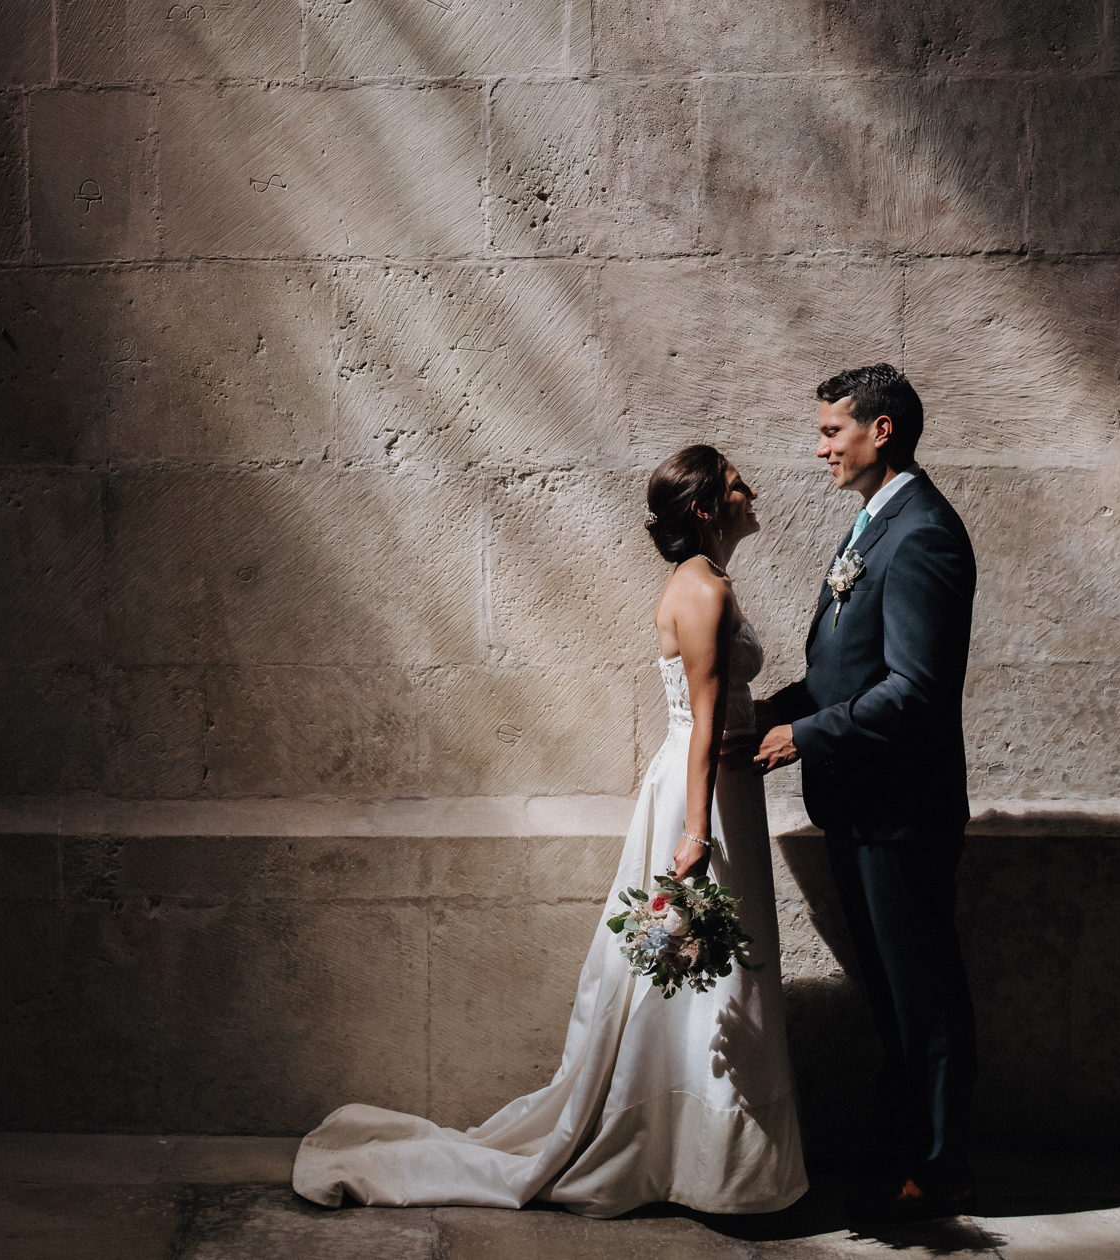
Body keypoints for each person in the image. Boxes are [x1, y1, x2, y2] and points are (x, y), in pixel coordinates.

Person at [292, 445, 808, 1218]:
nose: (752, 491)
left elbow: (721, 709)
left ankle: (699, 1157)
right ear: (707, 508)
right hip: (703, 796)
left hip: (714, 783)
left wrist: (763, 721)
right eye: (738, 484)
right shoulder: (703, 590)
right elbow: (702, 723)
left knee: (705, 968)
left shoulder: (703, 581)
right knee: (705, 961)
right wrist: (698, 837)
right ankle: (704, 1162)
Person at [755, 364, 978, 1222]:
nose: (821, 449)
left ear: (880, 430)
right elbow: (846, 671)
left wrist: (803, 737)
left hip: (900, 811)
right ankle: (900, 1153)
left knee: (923, 995)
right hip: (857, 807)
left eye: (831, 431)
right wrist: (769, 712)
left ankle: (939, 1167)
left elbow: (914, 691)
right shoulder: (873, 525)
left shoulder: (923, 534)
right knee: (890, 994)